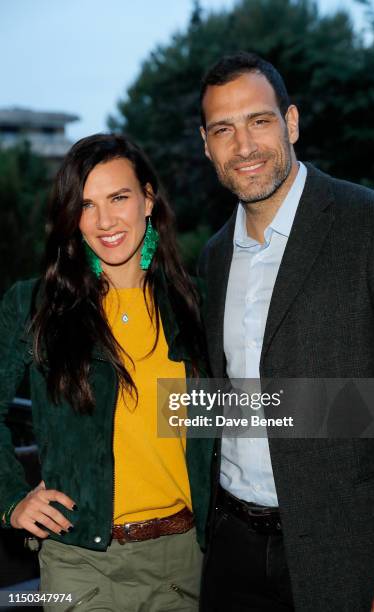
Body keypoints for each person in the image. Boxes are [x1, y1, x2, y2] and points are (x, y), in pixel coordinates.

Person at [197, 52, 374, 612]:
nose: (243, 146)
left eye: (258, 121)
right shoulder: (213, 257)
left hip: (350, 554)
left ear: (290, 123)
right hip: (231, 547)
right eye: (224, 129)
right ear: (206, 144)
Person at [0, 133, 206, 611]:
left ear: (148, 200)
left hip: (185, 564)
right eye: (87, 205)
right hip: (79, 566)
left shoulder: (195, 304)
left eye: (119, 198)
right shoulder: (34, 307)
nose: (104, 221)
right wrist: (12, 500)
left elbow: (224, 421)